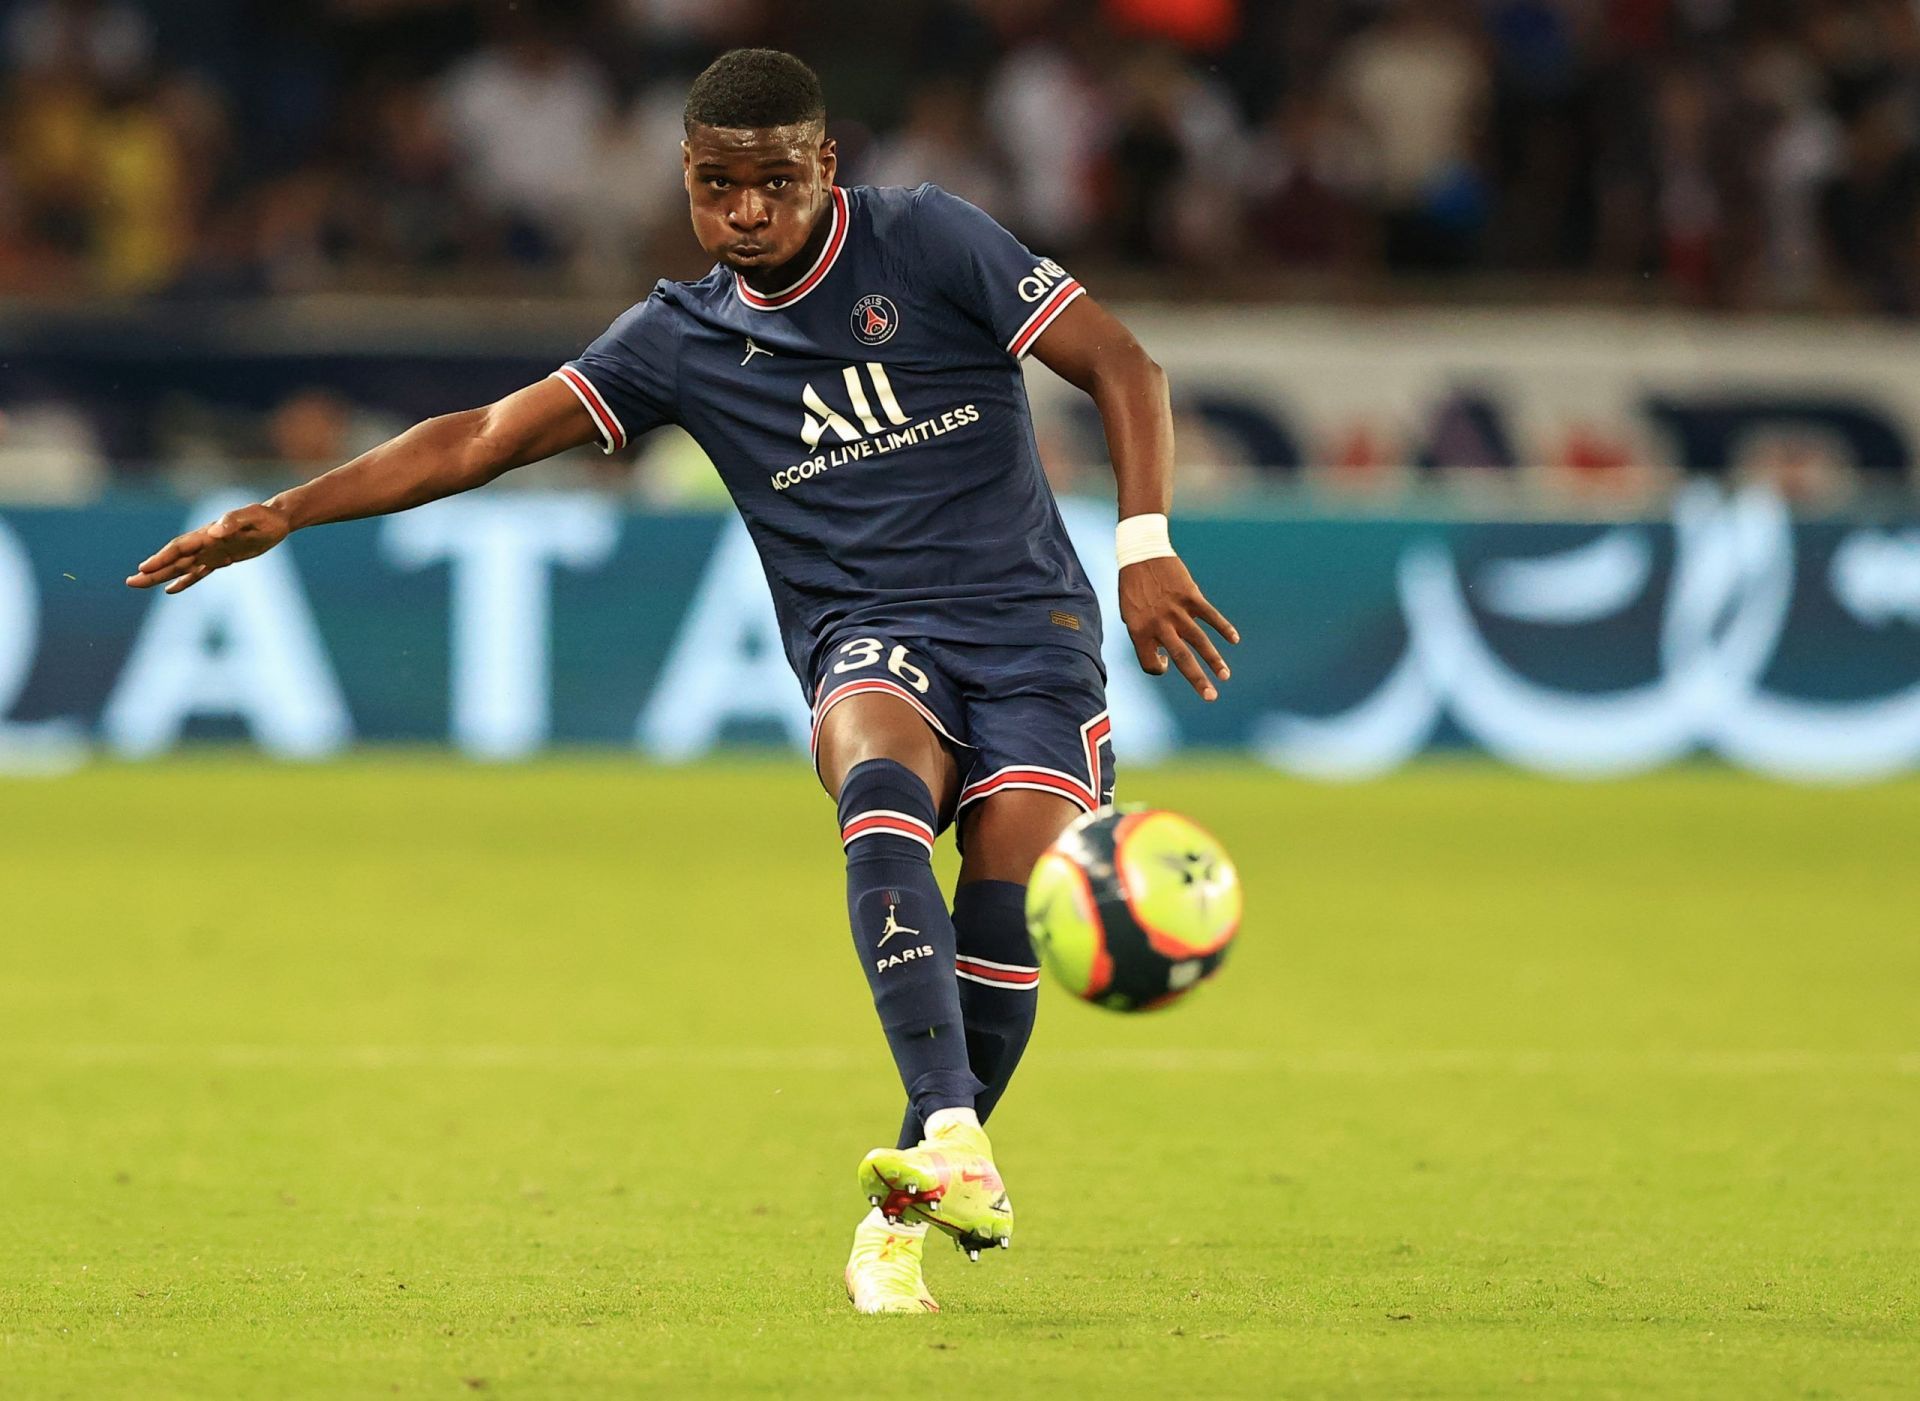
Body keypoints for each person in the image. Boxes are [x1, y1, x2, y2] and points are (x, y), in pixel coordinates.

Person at [125, 48, 1239, 1315]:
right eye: (718, 187)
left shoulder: (931, 241)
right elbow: (484, 435)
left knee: (1007, 897)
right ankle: (950, 1134)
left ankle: (903, 1210)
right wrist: (286, 510)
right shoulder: (680, 336)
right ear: (689, 182)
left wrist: (1144, 543)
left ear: (825, 166)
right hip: (867, 632)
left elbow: (1124, 364)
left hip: (1031, 626)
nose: (746, 211)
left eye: (772, 182)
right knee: (877, 785)